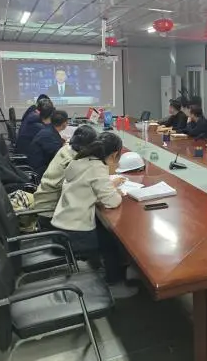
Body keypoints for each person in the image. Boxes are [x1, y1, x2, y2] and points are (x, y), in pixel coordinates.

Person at [50, 132, 136, 297]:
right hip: (74, 233)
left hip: (61, 226)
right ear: (114, 155)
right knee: (112, 241)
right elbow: (113, 201)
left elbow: (86, 187)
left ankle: (103, 268)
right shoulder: (97, 168)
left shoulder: (80, 160)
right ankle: (115, 284)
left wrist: (108, 186)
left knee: (104, 230)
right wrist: (114, 190)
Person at [34, 125, 97, 228]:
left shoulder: (66, 149)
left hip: (43, 203)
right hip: (51, 213)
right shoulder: (72, 163)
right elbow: (84, 191)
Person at [27, 110, 68, 178]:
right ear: (64, 123)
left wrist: (62, 142)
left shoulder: (49, 130)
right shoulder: (48, 135)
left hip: (42, 165)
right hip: (41, 171)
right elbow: (59, 156)